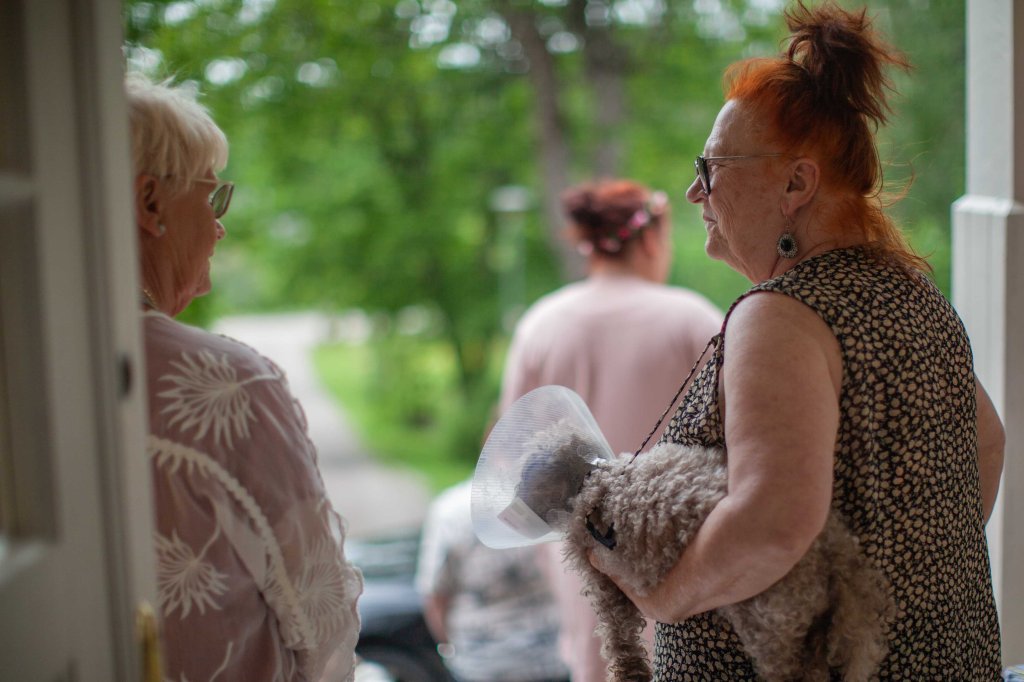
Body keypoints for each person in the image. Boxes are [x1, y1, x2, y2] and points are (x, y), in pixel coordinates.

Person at [592, 2, 1005, 679]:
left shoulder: (782, 314)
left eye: (711, 166)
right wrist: (909, 584)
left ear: (795, 182)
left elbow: (773, 521)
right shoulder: (910, 290)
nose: (695, 191)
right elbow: (988, 443)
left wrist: (662, 599)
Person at [127, 72, 363, 681]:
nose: (218, 226)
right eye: (211, 198)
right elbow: (323, 620)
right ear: (150, 202)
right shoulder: (227, 384)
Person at [499, 179, 723, 681]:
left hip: (581, 552)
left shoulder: (541, 324)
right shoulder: (692, 319)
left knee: (600, 663)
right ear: (650, 239)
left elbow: (512, 454)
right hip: (682, 545)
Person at [415, 477, 570, 682]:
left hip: (485, 663)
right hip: (552, 658)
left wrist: (448, 648)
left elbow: (434, 594)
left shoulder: (449, 509)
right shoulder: (547, 496)